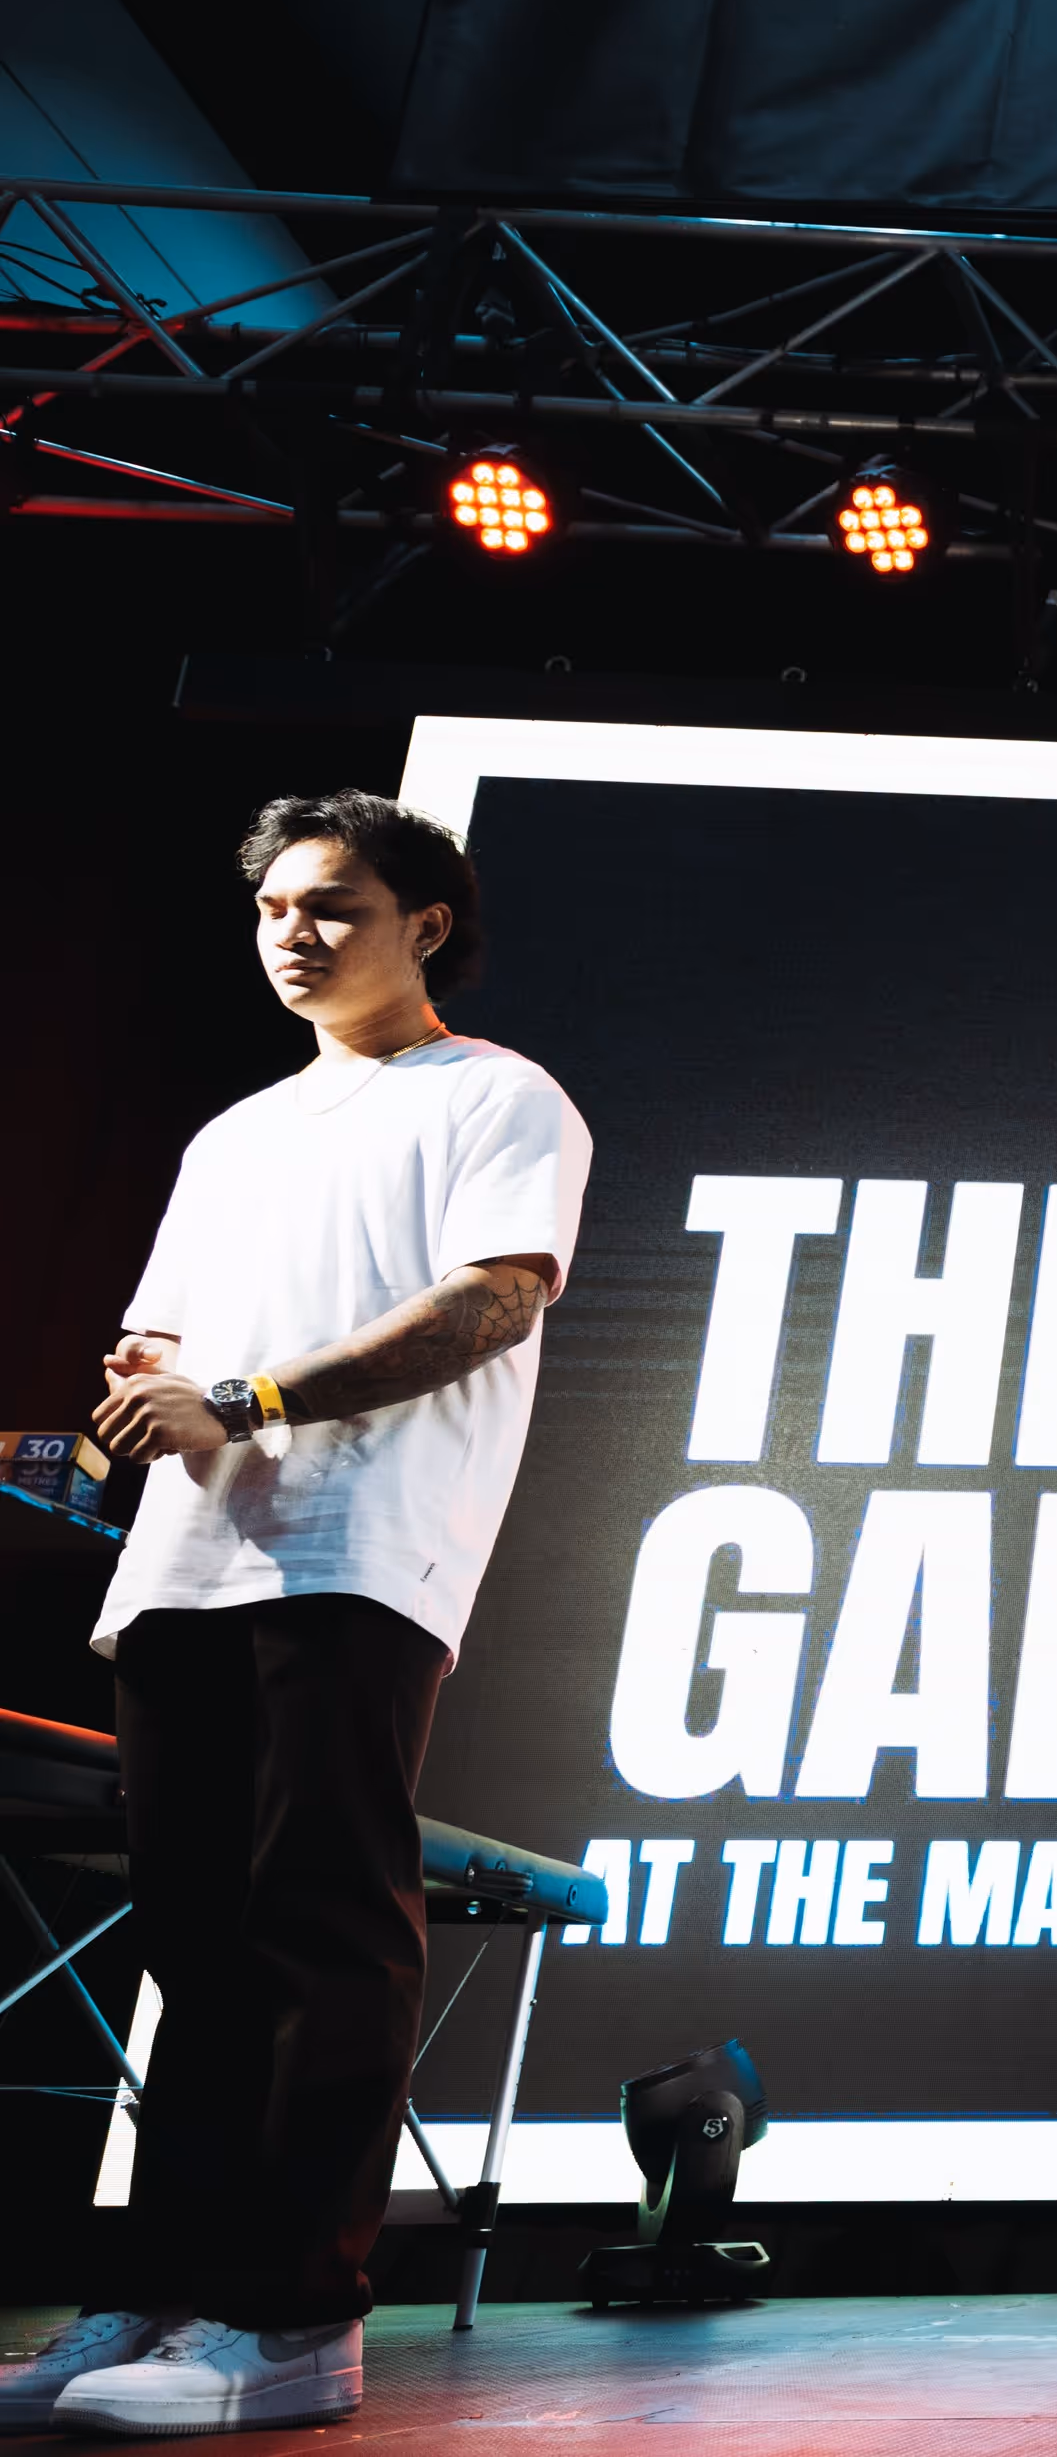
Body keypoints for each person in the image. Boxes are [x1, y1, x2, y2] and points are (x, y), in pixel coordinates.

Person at [3, 794, 590, 2439]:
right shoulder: (233, 1132)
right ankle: (155, 2296)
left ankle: (295, 2323)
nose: (292, 932)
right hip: (185, 1571)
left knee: (318, 1925)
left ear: (430, 923)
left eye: (333, 904)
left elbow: (489, 1298)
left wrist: (244, 1393)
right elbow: (160, 1345)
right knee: (191, 1945)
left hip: (355, 1552)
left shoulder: (496, 1095)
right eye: (273, 906)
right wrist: (145, 1391)